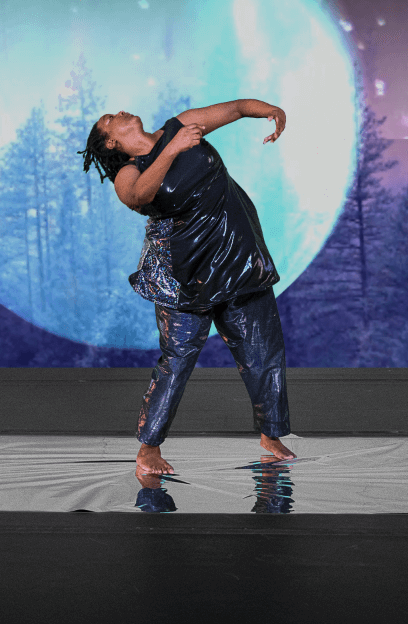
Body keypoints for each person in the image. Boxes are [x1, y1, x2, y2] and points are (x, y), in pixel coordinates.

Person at [80, 99, 296, 475]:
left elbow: (240, 108)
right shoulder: (127, 174)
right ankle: (149, 447)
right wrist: (174, 149)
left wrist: (271, 110)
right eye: (109, 119)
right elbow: (140, 196)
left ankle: (271, 435)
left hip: (236, 256)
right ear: (111, 143)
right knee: (177, 361)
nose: (119, 110)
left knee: (263, 351)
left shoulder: (178, 125)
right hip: (184, 274)